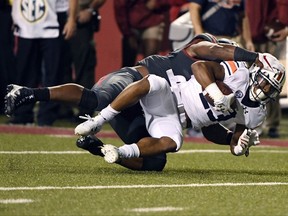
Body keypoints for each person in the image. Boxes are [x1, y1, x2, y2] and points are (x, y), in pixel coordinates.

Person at [5, 33, 265, 171]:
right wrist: (254, 57)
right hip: (134, 82)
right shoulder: (200, 52)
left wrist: (233, 137)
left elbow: (207, 126)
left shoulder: (221, 81)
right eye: (221, 50)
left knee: (155, 161)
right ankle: (27, 93)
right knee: (95, 99)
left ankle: (99, 149)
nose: (223, 55)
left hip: (151, 113)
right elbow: (214, 52)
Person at [10, 0, 78, 126]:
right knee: (25, 71)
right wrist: (15, 14)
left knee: (53, 73)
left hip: (54, 18)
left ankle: (47, 116)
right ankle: (22, 114)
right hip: (26, 21)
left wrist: (71, 18)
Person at [246, 0, 288, 138]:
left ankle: (271, 124)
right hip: (247, 35)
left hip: (270, 36)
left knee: (270, 83)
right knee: (245, 81)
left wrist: (286, 26)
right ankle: (248, 123)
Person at [114, 0, 171, 67]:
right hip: (131, 23)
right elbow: (120, 6)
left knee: (150, 61)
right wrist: (127, 32)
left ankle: (149, 74)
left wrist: (157, 2)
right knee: (128, 63)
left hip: (152, 20)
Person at [188, 0, 254, 51]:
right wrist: (200, 35)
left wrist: (248, 41)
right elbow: (194, 8)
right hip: (211, 38)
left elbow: (243, 17)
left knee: (241, 66)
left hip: (233, 39)